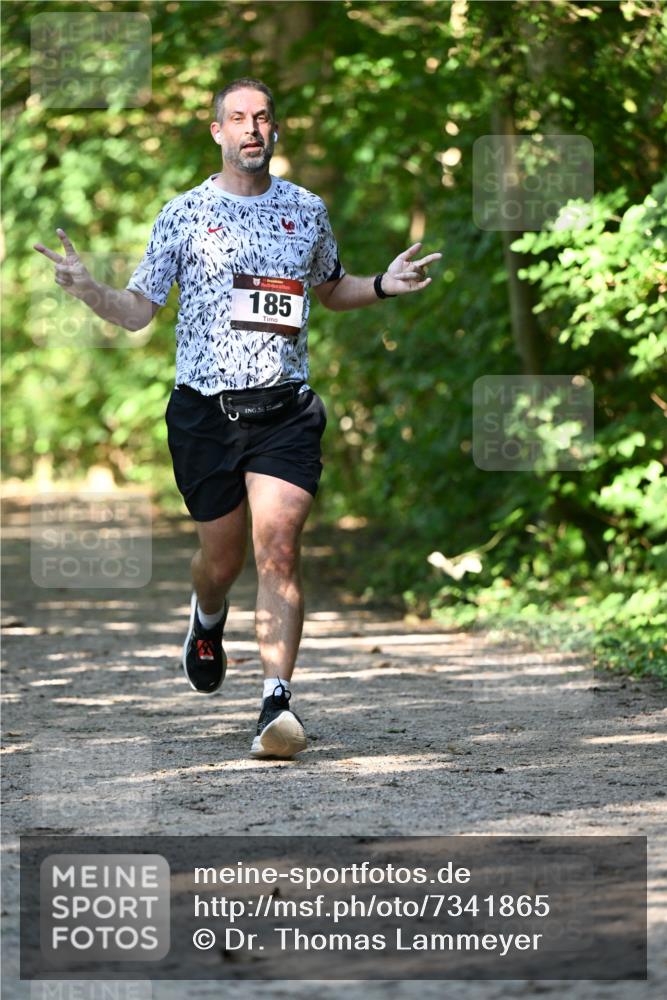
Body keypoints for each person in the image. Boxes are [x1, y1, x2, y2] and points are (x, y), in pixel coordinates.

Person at [33, 77, 441, 761]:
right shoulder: (184, 213)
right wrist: (88, 290)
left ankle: (275, 702)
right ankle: (207, 615)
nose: (252, 129)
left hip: (284, 411)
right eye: (237, 119)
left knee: (277, 549)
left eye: (262, 118)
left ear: (274, 131)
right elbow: (139, 311)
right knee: (219, 562)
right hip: (204, 416)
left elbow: (330, 287)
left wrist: (379, 286)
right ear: (216, 131)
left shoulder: (306, 210)